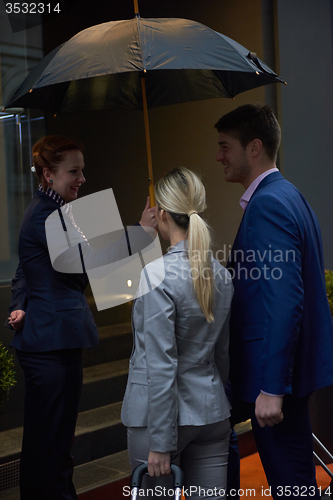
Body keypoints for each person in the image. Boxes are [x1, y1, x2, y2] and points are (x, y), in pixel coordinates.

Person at [6, 135, 157, 500]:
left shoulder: (57, 212)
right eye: (73, 171)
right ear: (48, 174)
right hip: (50, 342)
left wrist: (22, 299)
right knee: (52, 445)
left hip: (51, 338)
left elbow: (30, 268)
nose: (82, 179)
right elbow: (92, 260)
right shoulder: (45, 215)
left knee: (50, 442)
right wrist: (144, 232)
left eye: (82, 170)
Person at [214, 104, 333, 499]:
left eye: (225, 147)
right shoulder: (290, 194)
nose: (219, 157)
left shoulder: (267, 204)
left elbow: (285, 301)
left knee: (291, 483)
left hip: (273, 376)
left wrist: (272, 388)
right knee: (296, 479)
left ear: (254, 148)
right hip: (288, 369)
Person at [121, 167, 234, 499]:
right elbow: (222, 355)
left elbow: (161, 364)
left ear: (163, 214)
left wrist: (161, 441)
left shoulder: (156, 274)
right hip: (211, 411)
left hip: (158, 421)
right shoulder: (222, 275)